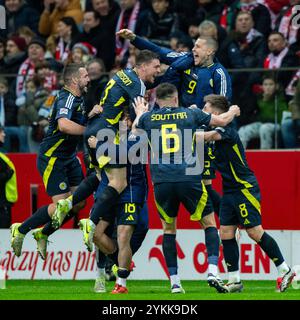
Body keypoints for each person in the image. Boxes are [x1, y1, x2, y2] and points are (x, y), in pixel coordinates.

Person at [132, 83, 240, 293]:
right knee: (209, 224)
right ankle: (211, 270)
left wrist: (140, 112)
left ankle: (175, 282)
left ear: (157, 100)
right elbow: (222, 121)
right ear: (175, 98)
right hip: (188, 177)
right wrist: (232, 111)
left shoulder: (148, 118)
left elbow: (134, 133)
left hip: (161, 180)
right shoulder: (190, 114)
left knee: (168, 229)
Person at [51, 50, 161, 245]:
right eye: (156, 67)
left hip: (96, 130)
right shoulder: (136, 85)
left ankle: (70, 205)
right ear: (143, 66)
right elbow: (140, 116)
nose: (158, 71)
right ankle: (91, 222)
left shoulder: (124, 74)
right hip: (105, 134)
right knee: (118, 183)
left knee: (100, 178)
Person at [196, 94, 296, 293]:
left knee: (254, 231)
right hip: (229, 190)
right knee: (225, 232)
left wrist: (183, 126)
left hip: (244, 187)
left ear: (215, 112)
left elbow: (206, 136)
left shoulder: (225, 130)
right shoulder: (213, 127)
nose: (203, 111)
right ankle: (234, 280)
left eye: (205, 108)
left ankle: (284, 270)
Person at [10, 63, 89, 257]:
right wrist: (90, 131)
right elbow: (63, 125)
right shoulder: (67, 98)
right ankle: (21, 230)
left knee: (78, 203)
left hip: (69, 157)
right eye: (85, 76)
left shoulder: (79, 98)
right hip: (53, 158)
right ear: (74, 80)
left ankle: (43, 234)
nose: (89, 79)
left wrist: (92, 116)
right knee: (61, 205)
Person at [0, 126, 18, 228]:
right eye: (1, 132)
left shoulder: (1, 155)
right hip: (1, 206)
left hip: (4, 205)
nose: (4, 134)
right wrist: (8, 173)